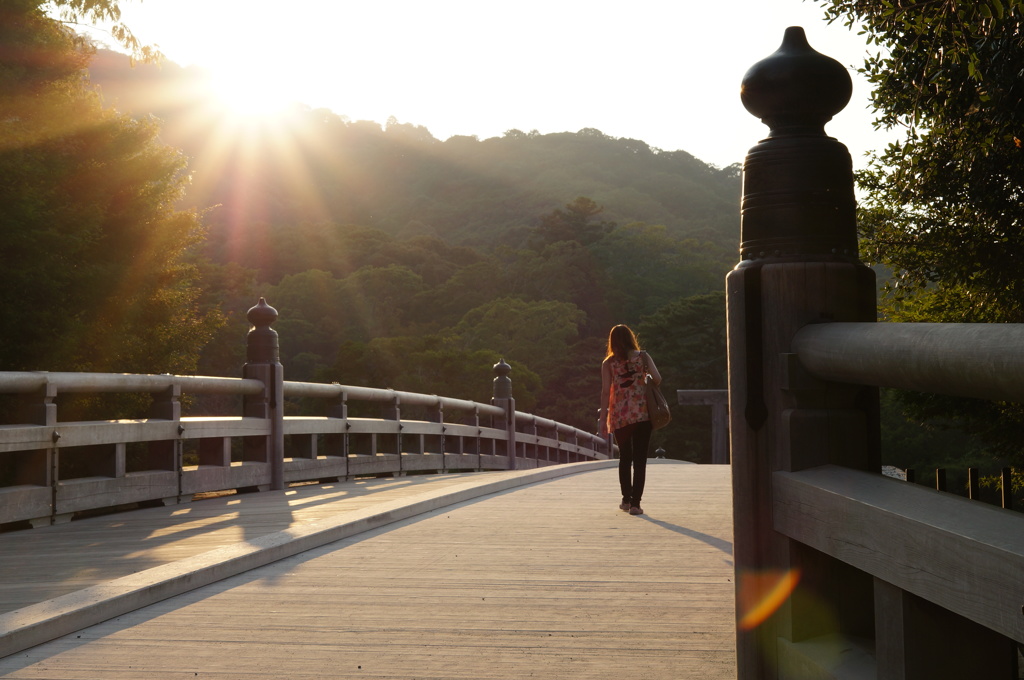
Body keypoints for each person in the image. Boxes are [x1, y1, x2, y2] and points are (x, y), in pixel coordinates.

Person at [599, 324, 662, 516]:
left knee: (625, 458)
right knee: (640, 459)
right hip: (642, 414)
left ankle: (626, 500)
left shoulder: (608, 363)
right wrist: (644, 376)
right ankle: (636, 504)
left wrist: (602, 419)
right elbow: (658, 379)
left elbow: (604, 391)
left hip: (620, 416)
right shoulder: (643, 356)